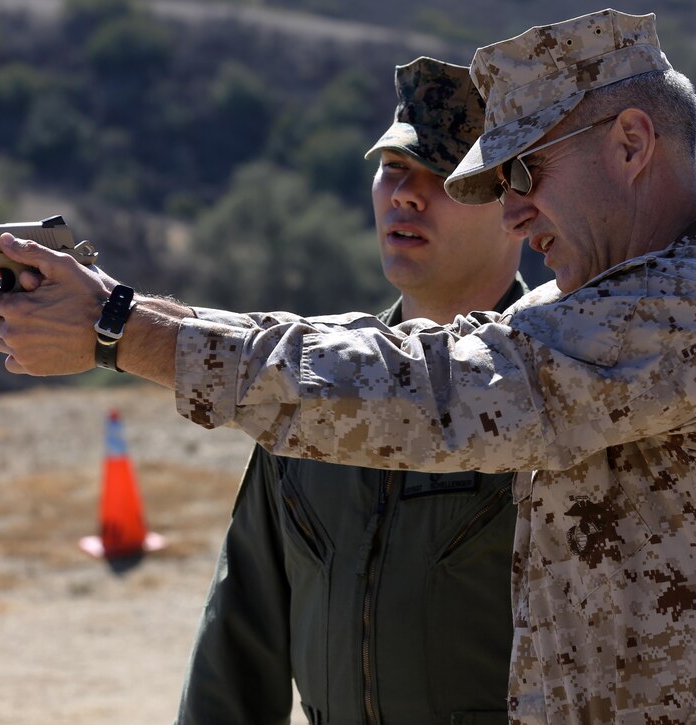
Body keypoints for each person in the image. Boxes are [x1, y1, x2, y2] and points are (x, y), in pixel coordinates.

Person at [0, 8, 696, 723]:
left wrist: (118, 333)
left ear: (631, 143)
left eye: (527, 170)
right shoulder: (614, 306)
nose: (515, 213)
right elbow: (408, 358)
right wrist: (126, 311)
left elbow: (437, 394)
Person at [176, 57, 527, 725]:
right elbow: (237, 644)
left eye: (444, 177)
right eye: (394, 169)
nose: (407, 194)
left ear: (516, 206)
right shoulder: (315, 386)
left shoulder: (562, 394)